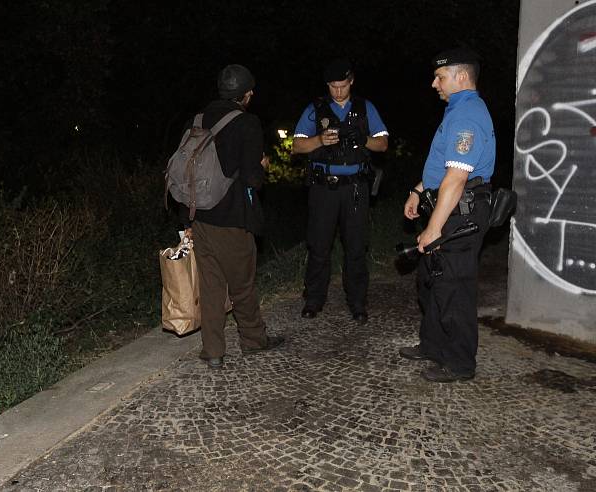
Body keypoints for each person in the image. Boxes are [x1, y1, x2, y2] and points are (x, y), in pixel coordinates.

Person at [398, 47, 495, 383]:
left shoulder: (467, 115)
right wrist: (419, 188)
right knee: (430, 279)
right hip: (449, 205)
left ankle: (459, 362)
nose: (434, 83)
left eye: (440, 76)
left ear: (461, 76)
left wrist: (434, 228)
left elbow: (457, 178)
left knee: (454, 286)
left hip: (460, 211)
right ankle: (433, 344)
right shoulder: (457, 111)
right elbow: (445, 166)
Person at [180, 64, 284, 369]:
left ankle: (213, 351)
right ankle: (253, 340)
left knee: (211, 287)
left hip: (199, 218)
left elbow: (185, 173)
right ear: (247, 94)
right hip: (233, 219)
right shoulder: (247, 123)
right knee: (242, 284)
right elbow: (253, 179)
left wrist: (186, 222)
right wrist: (262, 166)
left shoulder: (195, 119)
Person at [292, 58, 389, 322]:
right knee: (319, 246)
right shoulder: (316, 108)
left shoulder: (365, 108)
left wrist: (365, 140)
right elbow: (296, 145)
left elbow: (383, 144)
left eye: (342, 86)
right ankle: (313, 300)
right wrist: (319, 140)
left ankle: (357, 303)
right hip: (324, 189)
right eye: (333, 86)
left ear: (351, 81)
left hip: (356, 188)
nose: (337, 92)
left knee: (356, 248)